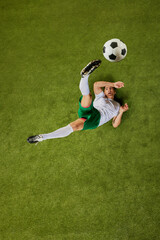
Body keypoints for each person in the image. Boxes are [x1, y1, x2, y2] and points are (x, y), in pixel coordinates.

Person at [27, 60, 129, 144]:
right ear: (104, 92)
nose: (109, 90)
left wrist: (121, 112)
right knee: (88, 96)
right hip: (92, 110)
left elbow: (115, 124)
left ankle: (42, 137)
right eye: (107, 89)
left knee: (74, 126)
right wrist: (113, 84)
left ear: (115, 92)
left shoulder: (117, 106)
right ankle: (85, 76)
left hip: (96, 120)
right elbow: (96, 85)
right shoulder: (101, 97)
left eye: (111, 89)